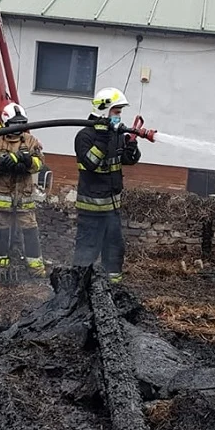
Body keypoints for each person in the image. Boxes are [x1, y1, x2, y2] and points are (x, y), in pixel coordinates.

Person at [72, 87, 141, 283]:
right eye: (117, 112)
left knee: (115, 251)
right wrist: (102, 139)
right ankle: (79, 290)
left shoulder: (116, 134)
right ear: (104, 110)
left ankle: (114, 290)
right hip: (91, 210)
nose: (119, 117)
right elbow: (90, 163)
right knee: (86, 252)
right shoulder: (85, 136)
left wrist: (132, 148)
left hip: (112, 208)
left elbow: (126, 160)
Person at [0, 102, 47, 281]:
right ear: (6, 123)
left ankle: (36, 270)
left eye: (21, 123)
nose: (18, 128)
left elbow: (40, 163)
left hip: (24, 199)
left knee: (31, 232)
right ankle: (1, 269)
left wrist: (29, 162)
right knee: (1, 233)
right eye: (14, 124)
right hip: (1, 199)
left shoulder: (30, 140)